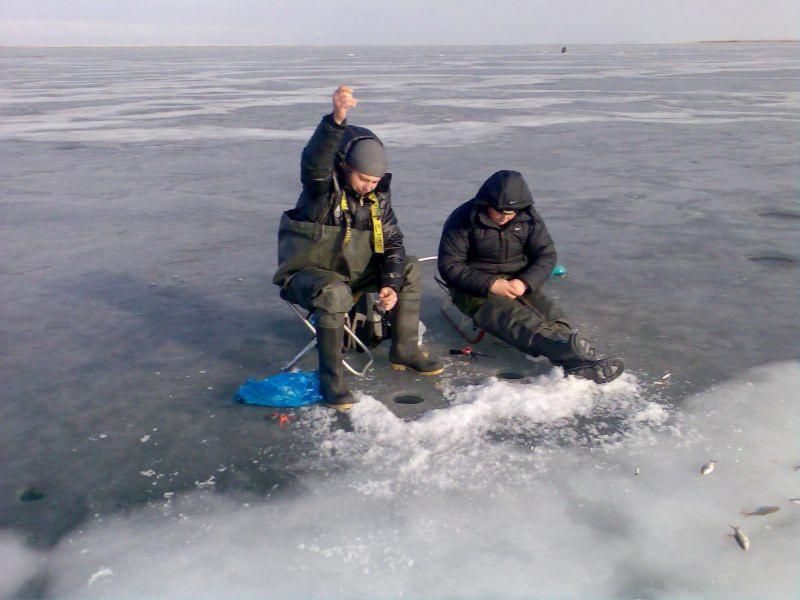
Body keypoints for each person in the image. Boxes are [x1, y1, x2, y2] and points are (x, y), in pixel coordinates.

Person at [274, 86, 443, 410]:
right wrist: (335, 122)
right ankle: (331, 379)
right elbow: (314, 162)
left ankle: (405, 349)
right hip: (306, 275)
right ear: (346, 168)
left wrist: (390, 284)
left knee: (407, 265)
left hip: (351, 273)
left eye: (375, 181)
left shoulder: (377, 199)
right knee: (334, 292)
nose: (369, 186)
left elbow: (391, 242)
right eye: (363, 178)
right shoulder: (321, 189)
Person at [437, 170, 624, 384]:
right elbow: (449, 266)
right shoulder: (463, 219)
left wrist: (526, 282)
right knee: (517, 320)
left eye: (510, 213)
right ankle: (571, 353)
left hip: (518, 280)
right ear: (485, 203)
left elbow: (546, 255)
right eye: (499, 212)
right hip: (474, 287)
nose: (504, 218)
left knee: (550, 315)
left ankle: (577, 356)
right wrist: (491, 284)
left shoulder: (528, 218)